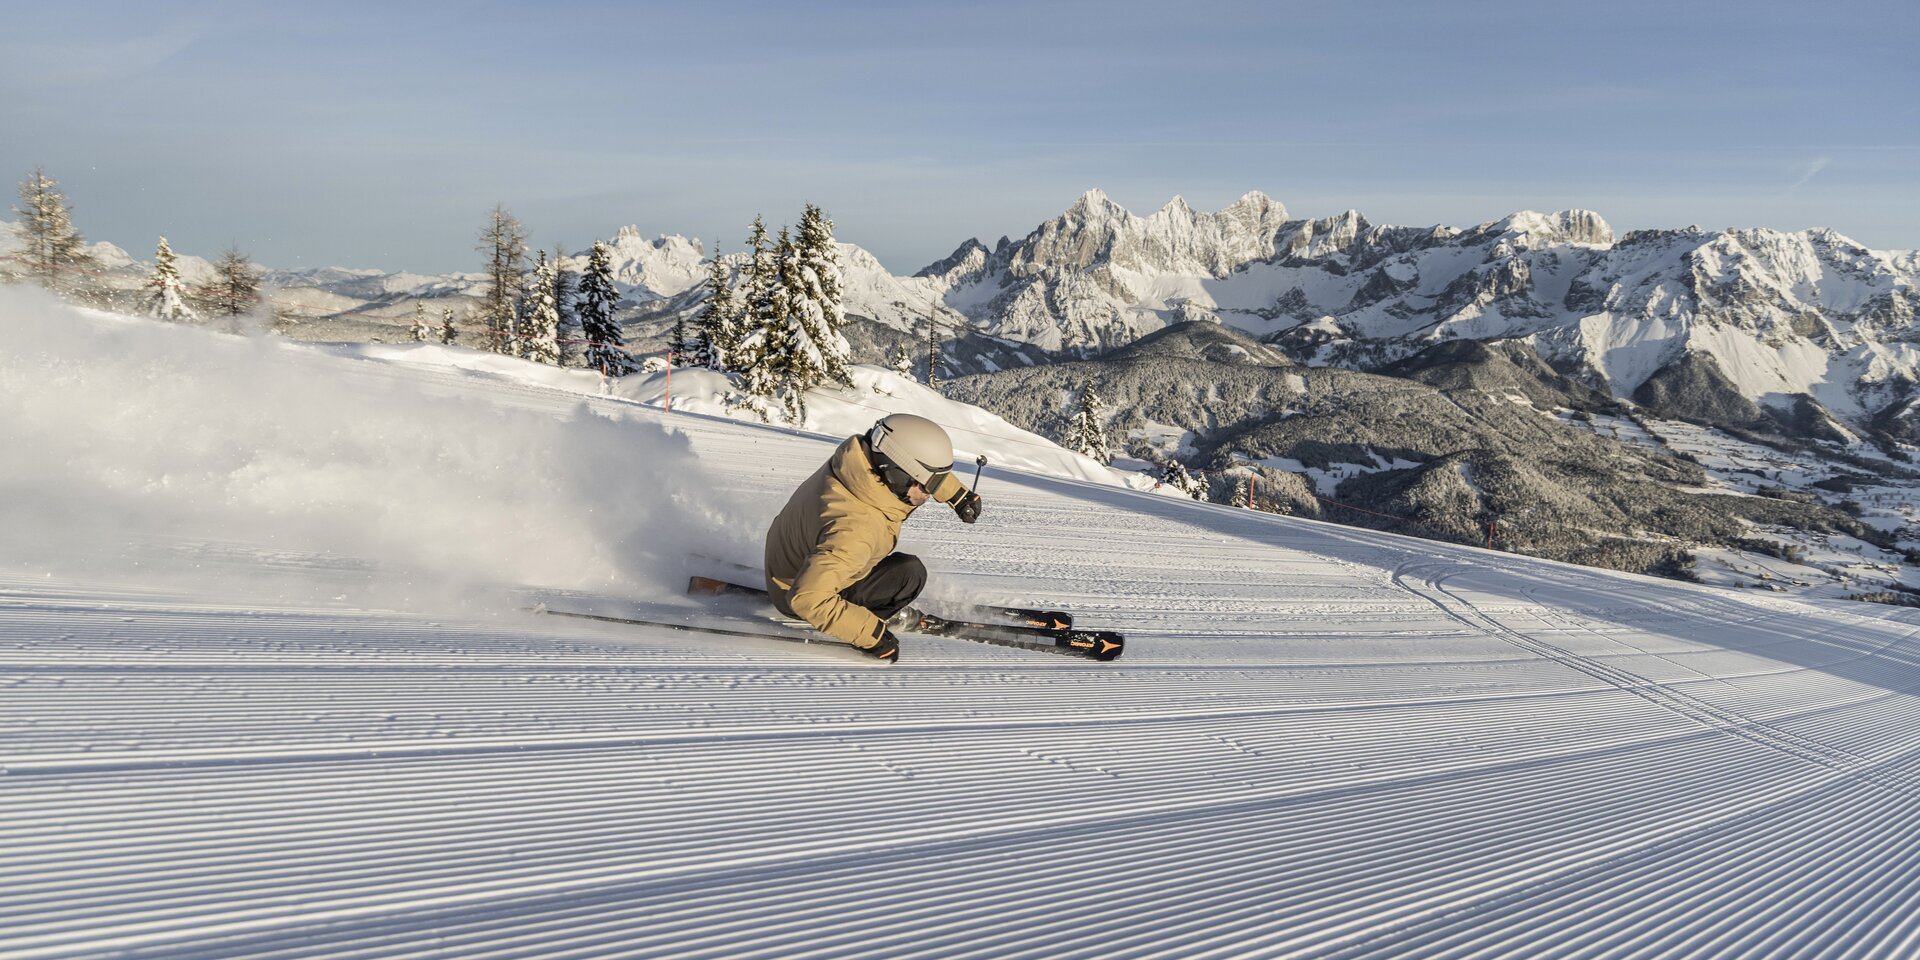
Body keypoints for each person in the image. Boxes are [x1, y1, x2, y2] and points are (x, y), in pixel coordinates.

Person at [764, 413, 984, 662]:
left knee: (899, 565)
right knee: (909, 575)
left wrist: (957, 495)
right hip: (800, 593)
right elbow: (807, 599)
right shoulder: (856, 530)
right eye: (927, 486)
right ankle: (862, 616)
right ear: (897, 475)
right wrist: (871, 634)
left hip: (792, 560)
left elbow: (912, 461)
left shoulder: (857, 463)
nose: (929, 494)